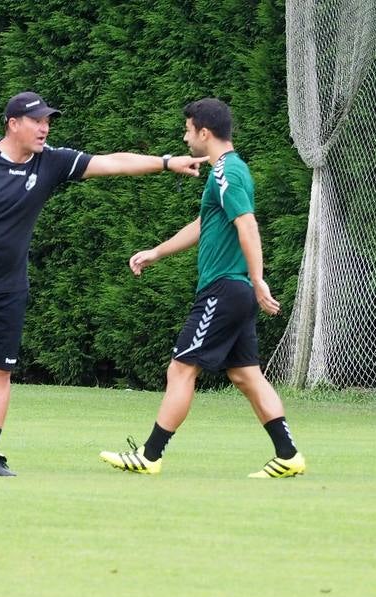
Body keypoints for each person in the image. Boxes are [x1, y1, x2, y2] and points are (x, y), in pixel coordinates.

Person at [0, 91, 206, 476]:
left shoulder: (51, 162)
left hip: (8, 288)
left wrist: (167, 163)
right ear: (13, 123)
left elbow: (111, 163)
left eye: (48, 121)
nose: (45, 127)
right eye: (37, 121)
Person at [100, 98, 306, 478]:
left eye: (187, 130)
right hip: (235, 290)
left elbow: (247, 224)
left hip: (225, 290)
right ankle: (289, 455)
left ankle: (150, 454)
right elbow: (204, 224)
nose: (185, 137)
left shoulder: (227, 172)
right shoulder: (225, 172)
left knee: (180, 370)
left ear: (204, 133)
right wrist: (156, 252)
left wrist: (258, 279)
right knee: (246, 375)